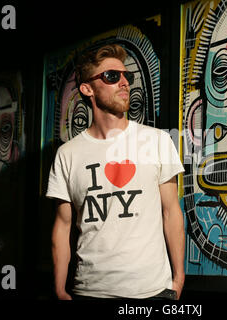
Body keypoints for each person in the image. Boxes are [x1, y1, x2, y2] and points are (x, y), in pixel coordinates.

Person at [46, 44, 185, 300]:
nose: (124, 83)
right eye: (112, 76)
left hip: (152, 292)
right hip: (90, 291)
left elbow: (171, 211)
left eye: (126, 76)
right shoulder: (68, 155)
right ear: (87, 88)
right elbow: (63, 225)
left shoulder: (156, 141)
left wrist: (178, 279)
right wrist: (58, 289)